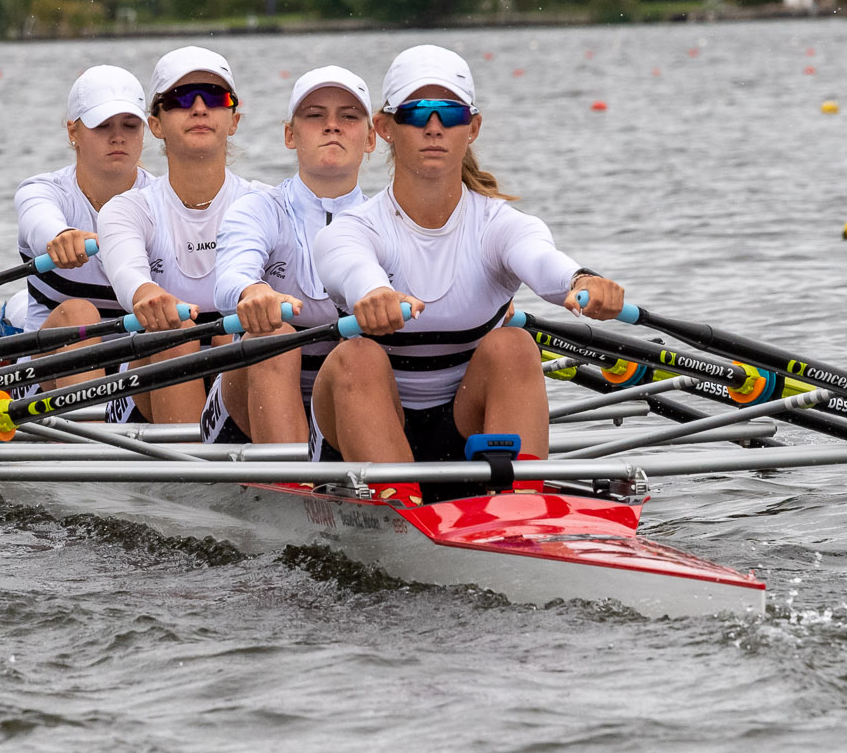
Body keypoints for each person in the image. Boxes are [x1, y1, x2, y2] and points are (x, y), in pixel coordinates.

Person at [311, 44, 625, 479]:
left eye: (451, 114)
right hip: (360, 425)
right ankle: (397, 506)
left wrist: (582, 279)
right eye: (418, 113)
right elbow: (349, 265)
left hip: (463, 420)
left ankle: (523, 502)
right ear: (385, 127)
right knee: (356, 356)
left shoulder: (499, 225)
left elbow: (540, 259)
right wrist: (374, 294)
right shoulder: (352, 229)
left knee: (514, 344)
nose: (435, 128)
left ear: (472, 127)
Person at [208, 65, 377, 444]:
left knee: (366, 352)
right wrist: (252, 292)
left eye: (348, 117)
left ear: (370, 139)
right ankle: (295, 483)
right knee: (274, 333)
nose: (332, 126)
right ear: (290, 135)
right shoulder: (259, 209)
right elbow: (230, 279)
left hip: (348, 394)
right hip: (248, 404)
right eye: (315, 116)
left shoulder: (387, 220)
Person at [93, 47, 258, 424]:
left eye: (215, 97)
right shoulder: (128, 209)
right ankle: (191, 477)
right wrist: (146, 293)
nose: (199, 108)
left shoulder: (265, 203)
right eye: (182, 98)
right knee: (174, 331)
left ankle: (286, 476)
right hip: (151, 378)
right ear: (155, 124)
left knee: (249, 337)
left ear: (233, 119)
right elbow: (127, 273)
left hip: (236, 371)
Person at [10, 64, 155, 336]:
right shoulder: (43, 191)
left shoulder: (162, 201)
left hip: (138, 365)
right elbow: (38, 220)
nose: (118, 137)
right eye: (102, 125)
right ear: (72, 132)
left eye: (130, 125)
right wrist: (61, 236)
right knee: (80, 313)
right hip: (52, 369)